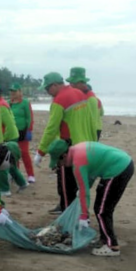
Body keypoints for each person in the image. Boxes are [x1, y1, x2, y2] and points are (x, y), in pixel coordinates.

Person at [47, 139, 134, 257]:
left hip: (118, 169)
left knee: (102, 211)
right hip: (121, 163)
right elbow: (91, 173)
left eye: (59, 162)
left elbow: (85, 192)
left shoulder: (77, 163)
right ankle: (104, 239)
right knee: (101, 207)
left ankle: (112, 246)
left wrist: (83, 215)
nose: (60, 165)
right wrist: (82, 191)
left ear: (64, 156)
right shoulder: (77, 149)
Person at [35, 71, 97, 214]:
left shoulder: (59, 100)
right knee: (78, 182)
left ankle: (67, 212)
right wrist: (93, 141)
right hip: (85, 144)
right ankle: (76, 210)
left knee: (65, 182)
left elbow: (51, 129)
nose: (47, 92)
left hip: (69, 147)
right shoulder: (80, 94)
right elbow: (91, 121)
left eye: (47, 89)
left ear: (55, 85)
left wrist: (40, 152)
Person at [0, 84, 26, 198]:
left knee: (2, 164)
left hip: (8, 137)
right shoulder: (2, 103)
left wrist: (3, 140)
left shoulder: (0, 105)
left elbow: (9, 125)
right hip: (9, 135)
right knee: (10, 164)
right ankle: (22, 182)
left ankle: (4, 189)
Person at [66, 67, 103, 141]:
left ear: (81, 83)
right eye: (70, 83)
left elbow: (91, 121)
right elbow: (101, 113)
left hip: (91, 130)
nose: (70, 86)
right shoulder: (80, 96)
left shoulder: (90, 99)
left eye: (73, 83)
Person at [9, 82, 36, 182]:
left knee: (24, 153)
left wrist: (29, 130)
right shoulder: (8, 103)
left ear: (20, 92)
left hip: (23, 131)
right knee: (13, 153)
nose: (13, 93)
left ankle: (30, 175)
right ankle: (15, 174)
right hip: (12, 132)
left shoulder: (25, 103)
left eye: (15, 91)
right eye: (11, 91)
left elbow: (29, 117)